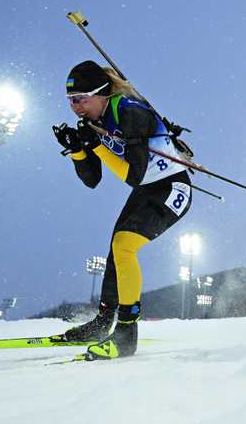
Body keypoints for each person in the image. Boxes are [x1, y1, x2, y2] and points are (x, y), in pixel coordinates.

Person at [53, 60, 193, 360]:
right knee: (116, 250)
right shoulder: (92, 122)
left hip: (171, 188)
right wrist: (78, 150)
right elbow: (92, 180)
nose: (75, 107)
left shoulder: (130, 112)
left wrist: (98, 146)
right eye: (70, 101)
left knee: (124, 245)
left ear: (101, 93)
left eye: (80, 99)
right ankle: (103, 323)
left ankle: (126, 334)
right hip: (147, 191)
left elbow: (134, 175)